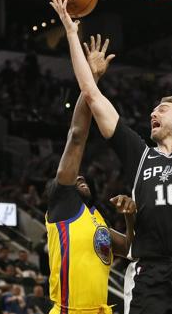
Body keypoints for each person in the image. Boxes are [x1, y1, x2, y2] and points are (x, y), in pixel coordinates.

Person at [51, 0, 172, 314]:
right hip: (149, 273)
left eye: (162, 109)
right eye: (153, 109)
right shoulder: (139, 154)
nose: (153, 113)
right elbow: (91, 95)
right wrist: (72, 33)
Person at [45, 30, 136, 314]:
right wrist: (92, 80)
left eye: (83, 177)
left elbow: (130, 249)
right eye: (75, 179)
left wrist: (130, 218)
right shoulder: (63, 206)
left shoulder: (95, 220)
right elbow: (76, 136)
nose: (80, 177)